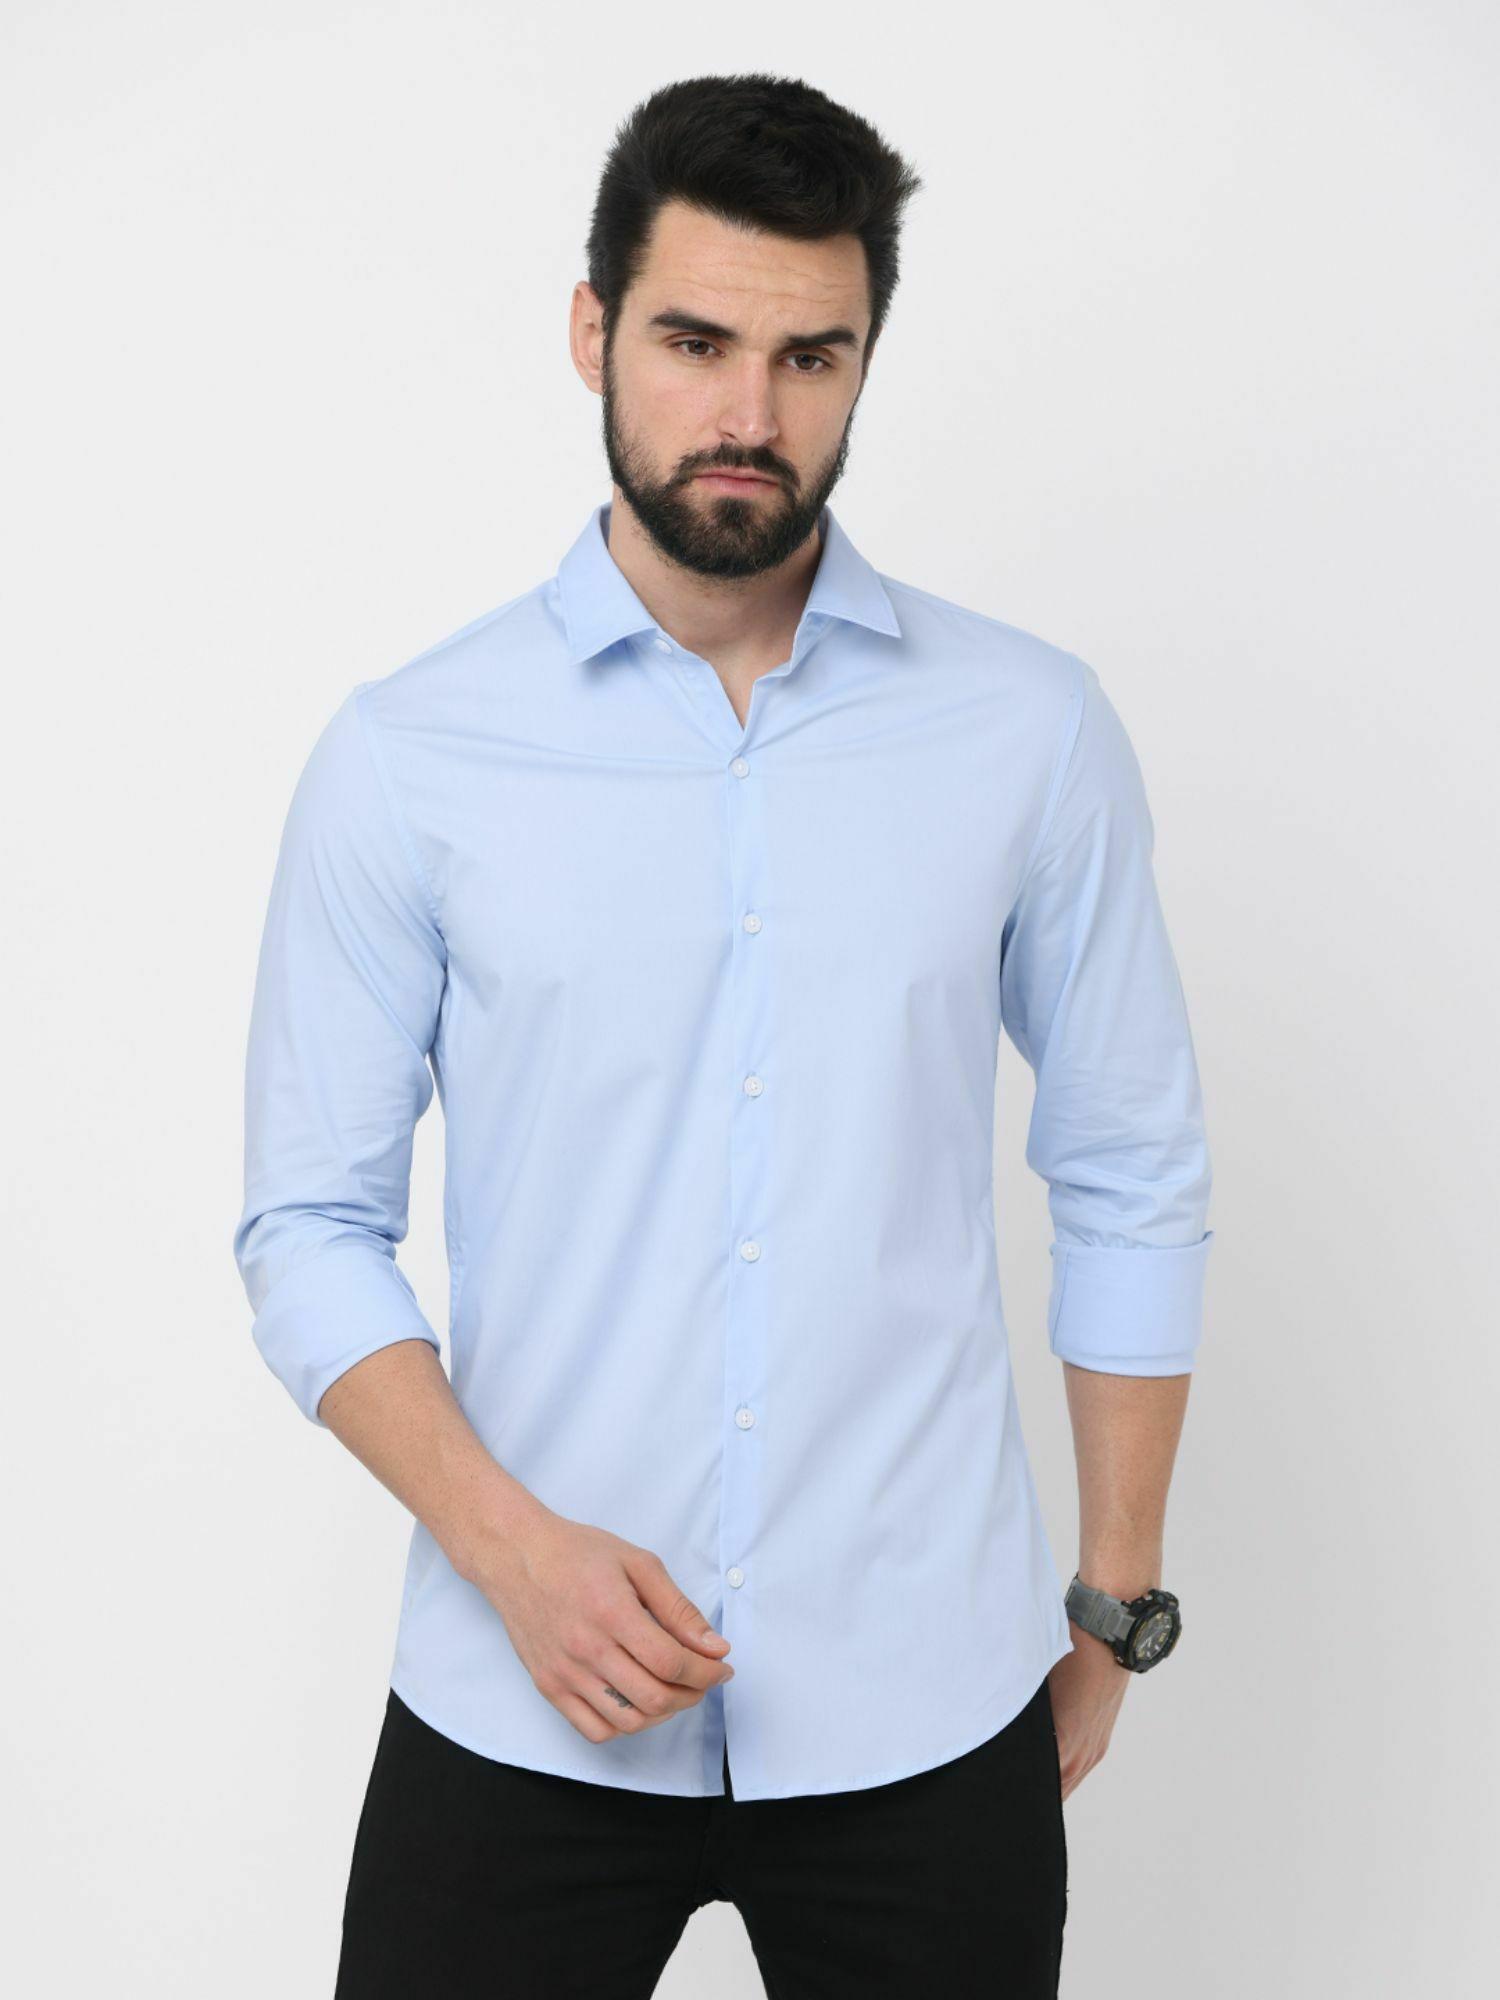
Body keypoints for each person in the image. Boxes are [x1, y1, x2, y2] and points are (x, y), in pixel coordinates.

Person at [232, 70, 1213, 2000]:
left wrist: (1114, 1602)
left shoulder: (1029, 733)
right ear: (593, 329)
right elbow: (305, 1230)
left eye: (809, 355)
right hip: (520, 1697)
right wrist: (511, 1552)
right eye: (694, 343)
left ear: (865, 364)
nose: (750, 414)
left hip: (925, 1706)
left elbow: (1130, 1171)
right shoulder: (410, 757)